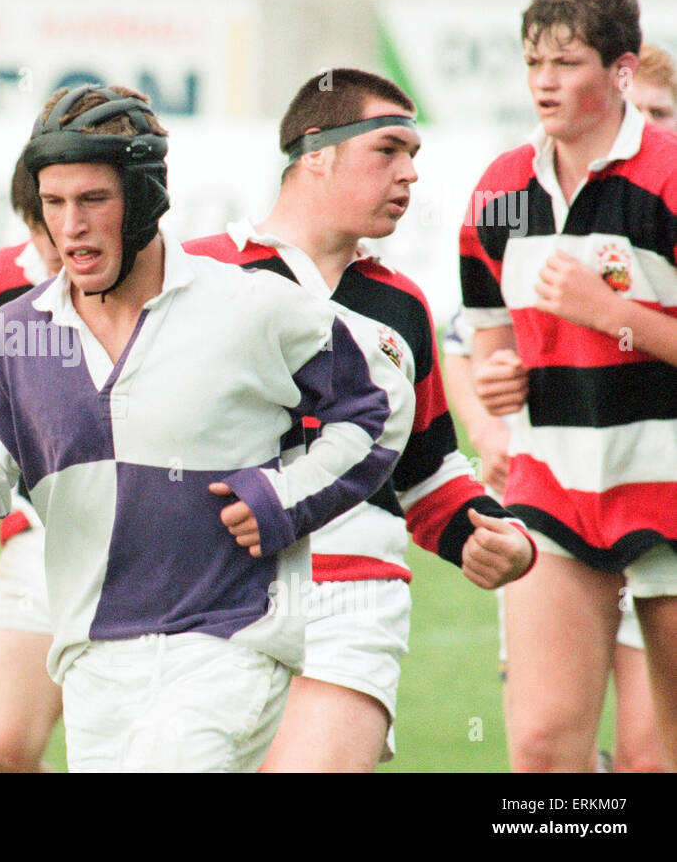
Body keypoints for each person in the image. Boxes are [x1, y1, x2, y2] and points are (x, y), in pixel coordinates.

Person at [0, 83, 411, 772]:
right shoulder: (15, 338)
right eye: (54, 203)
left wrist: (287, 497)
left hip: (228, 641)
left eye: (93, 200)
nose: (69, 226)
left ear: (143, 198)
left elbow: (380, 405)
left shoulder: (247, 307)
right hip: (92, 658)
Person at [184, 68, 535, 771]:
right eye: (388, 151)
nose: (409, 175)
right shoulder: (194, 277)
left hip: (353, 600)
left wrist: (487, 534)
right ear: (316, 151)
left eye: (414, 156)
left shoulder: (403, 308)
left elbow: (428, 474)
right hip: (204, 596)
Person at [460, 0, 677, 772]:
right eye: (533, 63)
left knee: (663, 755)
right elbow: (487, 332)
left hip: (667, 481)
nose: (544, 82)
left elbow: (606, 315)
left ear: (621, 72)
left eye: (567, 62)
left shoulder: (668, 175)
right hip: (554, 488)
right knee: (546, 748)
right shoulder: (502, 190)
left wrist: (611, 312)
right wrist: (495, 380)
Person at [0, 150, 64, 773]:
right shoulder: (9, 277)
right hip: (43, 535)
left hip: (150, 546)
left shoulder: (171, 282)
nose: (44, 245)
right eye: (35, 223)